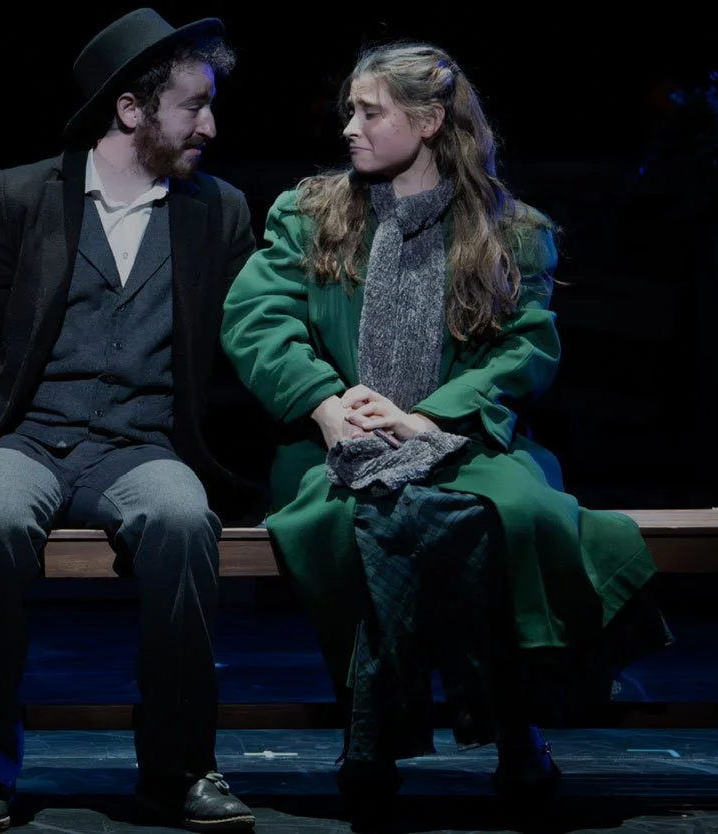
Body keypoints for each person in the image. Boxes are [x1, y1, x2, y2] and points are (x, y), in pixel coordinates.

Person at [220, 40, 671, 823]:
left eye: (371, 112)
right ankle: (372, 723)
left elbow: (526, 345)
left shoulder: (512, 231)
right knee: (368, 518)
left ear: (429, 121)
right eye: (350, 111)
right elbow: (257, 319)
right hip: (339, 441)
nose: (350, 128)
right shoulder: (310, 213)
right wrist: (325, 404)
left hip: (465, 440)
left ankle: (515, 720)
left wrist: (429, 417)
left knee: (509, 516)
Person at [0, 9, 259, 832]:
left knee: (180, 517)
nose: (210, 124)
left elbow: (258, 328)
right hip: (30, 434)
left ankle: (179, 771)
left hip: (140, 445)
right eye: (192, 106)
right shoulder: (26, 196)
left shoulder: (219, 211)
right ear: (131, 110)